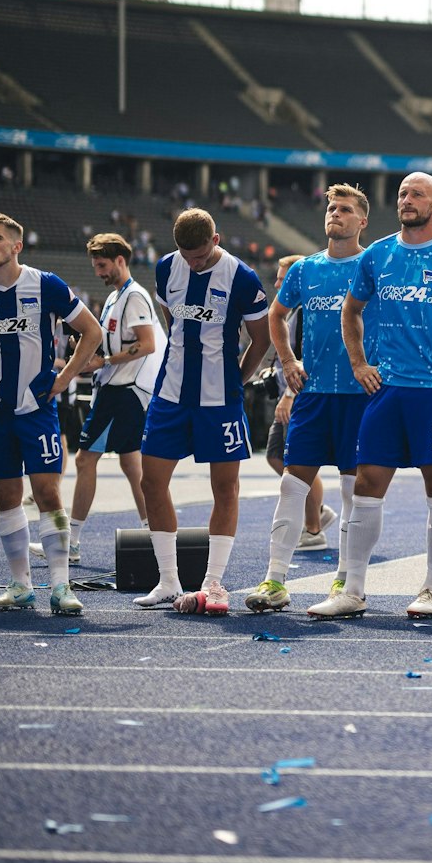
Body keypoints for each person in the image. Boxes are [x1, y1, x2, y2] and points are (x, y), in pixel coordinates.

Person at [308, 173, 432, 620]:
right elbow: (351, 310)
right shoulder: (378, 254)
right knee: (366, 485)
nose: (407, 200)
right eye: (402, 193)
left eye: (417, 194)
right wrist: (360, 364)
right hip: (386, 392)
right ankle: (352, 590)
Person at [0, 214, 103, 614]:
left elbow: (92, 331)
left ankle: (61, 586)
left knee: (47, 492)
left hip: (37, 407)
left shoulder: (45, 284)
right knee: (7, 496)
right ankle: (21, 585)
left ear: (16, 246)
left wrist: (65, 376)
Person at [131, 210, 271, 614]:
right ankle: (169, 581)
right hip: (171, 394)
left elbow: (260, 339)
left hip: (219, 399)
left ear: (216, 239)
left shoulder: (241, 276)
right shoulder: (165, 269)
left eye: (200, 255)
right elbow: (170, 319)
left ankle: (213, 581)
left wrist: (238, 380)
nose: (193, 263)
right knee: (151, 483)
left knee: (225, 488)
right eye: (186, 256)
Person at [251, 189, 370, 613]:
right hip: (314, 394)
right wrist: (287, 361)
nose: (336, 215)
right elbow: (276, 315)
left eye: (345, 211)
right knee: (291, 483)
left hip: (359, 397)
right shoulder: (305, 269)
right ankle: (275, 580)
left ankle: (346, 582)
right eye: (332, 209)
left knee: (354, 491)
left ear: (362, 222)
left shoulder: (373, 264)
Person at [63, 233, 163, 560]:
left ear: (120, 260)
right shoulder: (115, 297)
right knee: (132, 465)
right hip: (121, 389)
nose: (98, 273)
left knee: (84, 459)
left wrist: (104, 361)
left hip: (124, 391)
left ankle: (72, 541)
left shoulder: (134, 296)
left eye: (103, 265)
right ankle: (154, 533)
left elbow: (147, 344)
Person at [261, 254, 336, 552]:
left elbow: (308, 357)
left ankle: (314, 527)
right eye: (279, 277)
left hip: (300, 394)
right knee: (280, 457)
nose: (279, 282)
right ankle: (317, 513)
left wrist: (289, 395)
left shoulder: (306, 312)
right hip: (293, 392)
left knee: (295, 462)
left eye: (283, 276)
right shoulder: (294, 311)